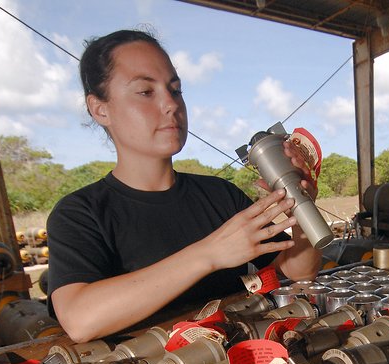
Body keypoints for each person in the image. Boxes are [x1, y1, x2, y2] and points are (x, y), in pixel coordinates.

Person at [47, 29, 322, 343]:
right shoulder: (80, 213)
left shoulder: (220, 195)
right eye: (145, 92)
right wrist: (209, 254)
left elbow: (297, 274)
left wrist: (302, 205)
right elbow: (80, 319)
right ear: (100, 108)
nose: (170, 104)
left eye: (175, 90)